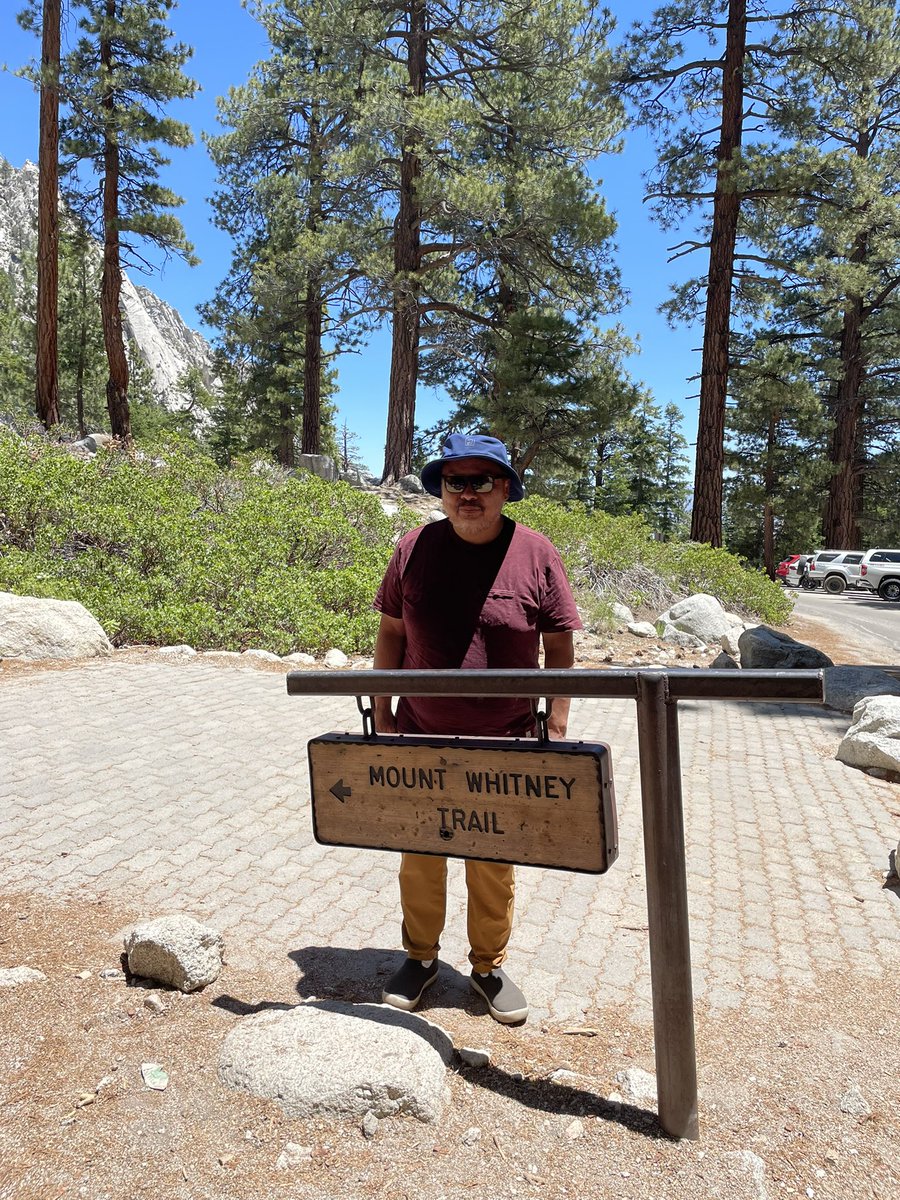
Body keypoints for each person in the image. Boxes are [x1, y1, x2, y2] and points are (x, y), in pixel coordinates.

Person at [372, 433, 582, 1024]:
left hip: (503, 739)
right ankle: (420, 958)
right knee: (420, 852)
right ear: (441, 491)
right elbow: (392, 632)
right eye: (455, 481)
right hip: (421, 733)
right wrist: (382, 709)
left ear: (505, 488)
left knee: (491, 859)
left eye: (482, 480)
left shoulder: (535, 552)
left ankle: (487, 967)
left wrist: (557, 721)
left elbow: (558, 643)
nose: (468, 493)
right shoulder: (412, 547)